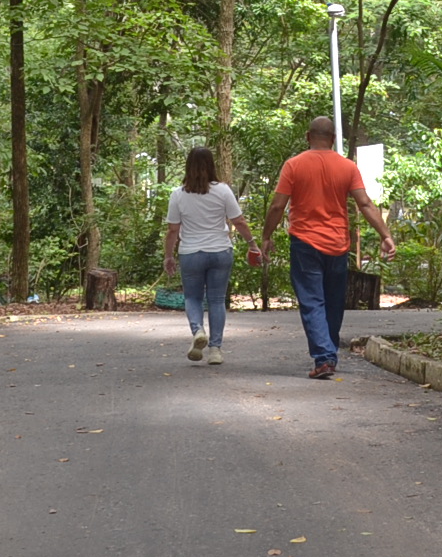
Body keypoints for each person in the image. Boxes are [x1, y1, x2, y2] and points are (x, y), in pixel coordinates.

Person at [262, 116, 395, 379]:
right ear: (333, 140)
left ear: (308, 136)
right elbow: (365, 204)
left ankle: (324, 358)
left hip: (305, 243)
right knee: (333, 303)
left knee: (312, 301)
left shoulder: (294, 165)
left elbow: (278, 206)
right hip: (337, 244)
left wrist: (266, 236)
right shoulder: (347, 167)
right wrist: (385, 235)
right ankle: (328, 356)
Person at [162, 145, 259, 364]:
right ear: (211, 165)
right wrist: (252, 244)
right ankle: (215, 349)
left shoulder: (178, 195)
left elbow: (172, 230)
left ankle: (198, 331)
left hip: (191, 253)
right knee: (216, 300)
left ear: (188, 166)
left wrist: (168, 256)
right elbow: (239, 221)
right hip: (220, 252)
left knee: (192, 297)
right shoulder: (223, 190)